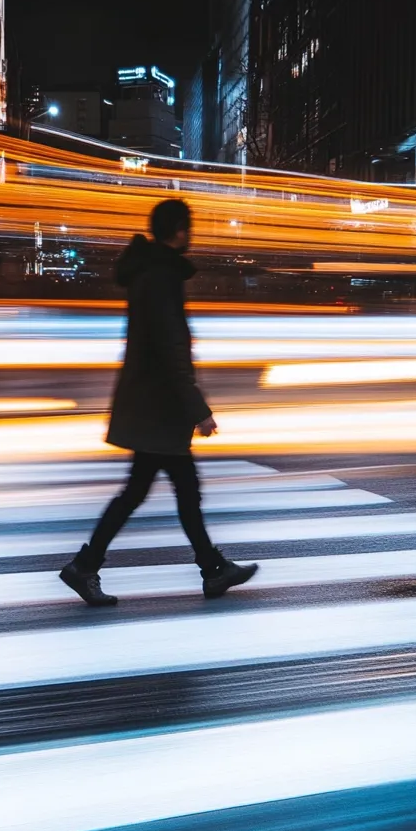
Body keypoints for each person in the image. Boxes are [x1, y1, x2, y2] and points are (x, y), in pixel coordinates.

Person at [60, 199, 258, 607]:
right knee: (171, 489)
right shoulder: (160, 275)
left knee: (153, 490)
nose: (193, 233)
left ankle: (208, 567)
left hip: (153, 404)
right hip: (159, 406)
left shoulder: (151, 271)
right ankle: (209, 569)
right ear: (179, 231)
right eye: (190, 226)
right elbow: (170, 348)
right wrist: (197, 408)